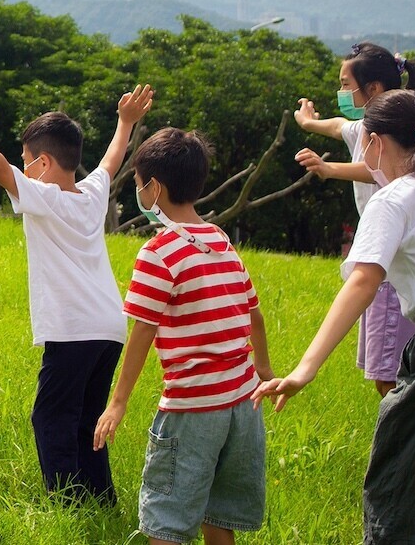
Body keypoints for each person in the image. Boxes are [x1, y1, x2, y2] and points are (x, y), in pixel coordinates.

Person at [254, 90, 415, 545]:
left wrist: (303, 369)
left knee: (409, 486)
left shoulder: (394, 198)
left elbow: (362, 282)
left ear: (373, 143)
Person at [0, 85, 153, 504]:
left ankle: (68, 505)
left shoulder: (43, 195)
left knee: (51, 418)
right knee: (86, 421)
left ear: (43, 163)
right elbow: (111, 159)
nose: (22, 170)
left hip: (73, 330)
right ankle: (101, 501)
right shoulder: (92, 194)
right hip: (109, 328)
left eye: (27, 162)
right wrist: (125, 122)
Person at [93, 127, 273, 545]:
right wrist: (263, 371)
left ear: (153, 188)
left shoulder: (159, 252)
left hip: (193, 407)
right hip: (242, 404)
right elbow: (255, 314)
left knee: (167, 519)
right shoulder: (222, 241)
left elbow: (143, 330)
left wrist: (117, 403)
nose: (138, 191)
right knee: (218, 514)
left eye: (138, 184)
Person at [293, 41, 415, 397]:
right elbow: (340, 127)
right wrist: (310, 123)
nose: (342, 92)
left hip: (387, 262)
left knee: (390, 376)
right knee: (393, 372)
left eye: (346, 84)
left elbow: (380, 170)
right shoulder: (394, 122)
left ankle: (404, 444)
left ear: (375, 89)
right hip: (398, 264)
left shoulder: (384, 135)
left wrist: (328, 168)